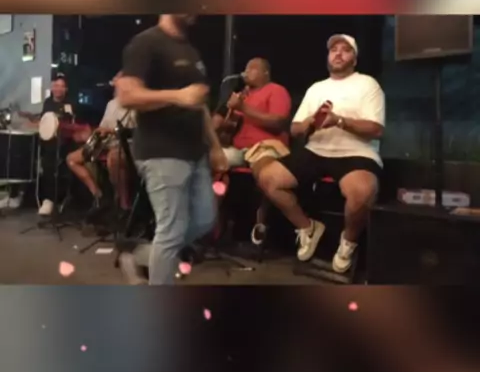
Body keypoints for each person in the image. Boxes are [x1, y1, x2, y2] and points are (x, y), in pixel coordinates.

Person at [257, 35, 385, 272]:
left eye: (345, 50)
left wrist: (339, 121)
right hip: (316, 150)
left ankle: (348, 241)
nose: (338, 53)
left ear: (354, 59)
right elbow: (295, 129)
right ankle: (307, 228)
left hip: (356, 152)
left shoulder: (368, 84)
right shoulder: (317, 88)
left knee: (362, 191)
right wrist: (307, 123)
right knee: (268, 178)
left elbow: (376, 129)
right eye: (334, 50)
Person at [116, 14, 228, 285]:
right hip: (161, 152)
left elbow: (198, 105)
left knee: (204, 219)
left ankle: (140, 256)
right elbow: (127, 96)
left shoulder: (191, 50)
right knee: (172, 230)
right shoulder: (145, 43)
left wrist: (215, 146)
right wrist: (177, 96)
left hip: (195, 151)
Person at [213, 58, 292, 244]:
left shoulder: (276, 90)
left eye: (253, 68)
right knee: (209, 161)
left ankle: (261, 221)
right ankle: (212, 222)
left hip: (267, 146)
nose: (246, 72)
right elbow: (226, 125)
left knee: (264, 169)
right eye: (246, 68)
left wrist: (243, 108)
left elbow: (277, 122)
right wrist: (225, 118)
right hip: (239, 150)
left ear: (266, 73)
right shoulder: (241, 95)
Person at [66, 72, 136, 215]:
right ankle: (98, 196)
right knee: (72, 159)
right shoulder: (111, 104)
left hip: (125, 145)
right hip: (105, 143)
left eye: (117, 79)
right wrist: (90, 134)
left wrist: (110, 131)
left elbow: (134, 131)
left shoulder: (135, 104)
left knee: (113, 159)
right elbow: (102, 127)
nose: (114, 82)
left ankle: (123, 205)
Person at [22, 74, 76, 216]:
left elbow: (71, 124)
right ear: (52, 88)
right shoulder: (47, 103)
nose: (58, 89)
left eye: (61, 86)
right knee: (27, 153)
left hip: (63, 143)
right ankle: (21, 195)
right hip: (47, 142)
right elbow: (44, 122)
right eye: (55, 86)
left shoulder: (69, 104)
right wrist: (33, 122)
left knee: (50, 163)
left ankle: (52, 199)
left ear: (66, 89)